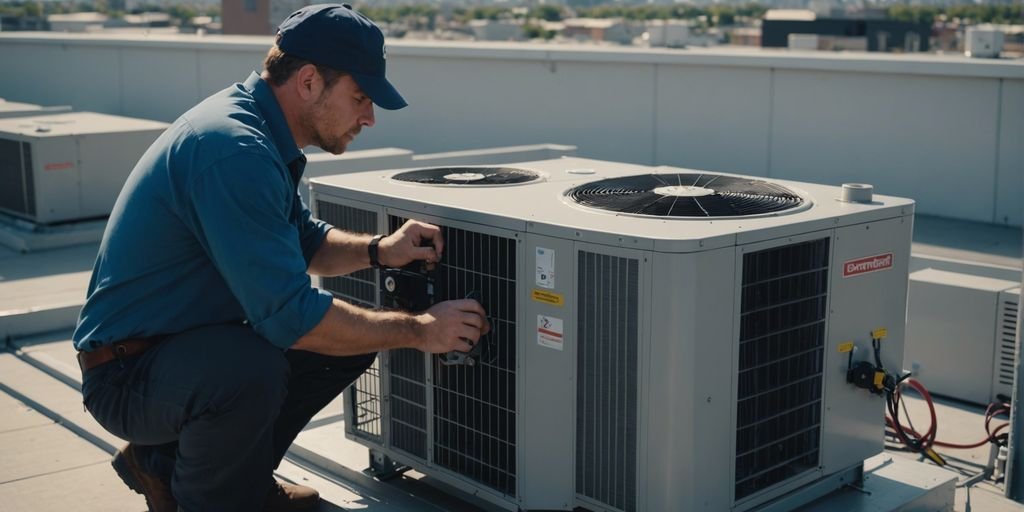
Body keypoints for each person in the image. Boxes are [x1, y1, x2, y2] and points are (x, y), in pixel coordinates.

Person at [72, 4, 489, 511]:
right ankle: (213, 499)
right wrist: (422, 330)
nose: (369, 117)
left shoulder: (255, 132)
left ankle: (170, 463)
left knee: (347, 340)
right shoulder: (234, 150)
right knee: (255, 368)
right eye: (359, 97)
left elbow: (305, 243)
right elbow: (292, 318)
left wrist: (382, 251)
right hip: (127, 375)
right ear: (309, 81)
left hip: (177, 351)